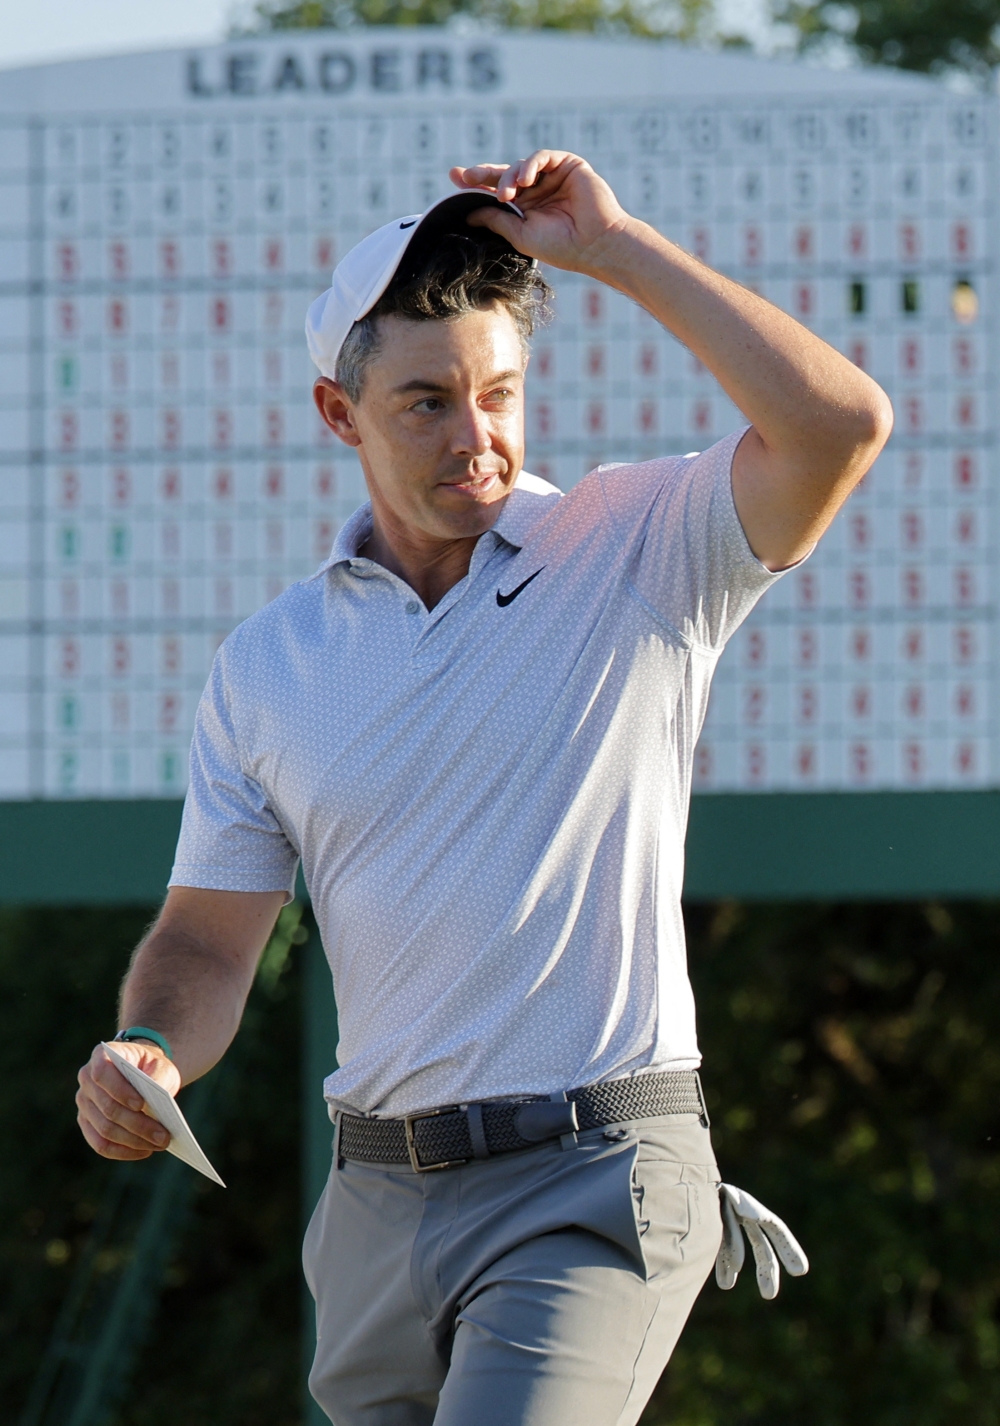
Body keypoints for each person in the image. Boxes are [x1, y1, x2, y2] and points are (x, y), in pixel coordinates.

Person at [76, 150, 892, 1425]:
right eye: (427, 404)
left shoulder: (639, 547)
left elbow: (839, 427)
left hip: (594, 1177)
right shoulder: (267, 667)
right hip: (374, 1212)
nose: (479, 438)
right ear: (337, 414)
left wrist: (617, 249)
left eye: (500, 393)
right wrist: (154, 1048)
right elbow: (203, 940)